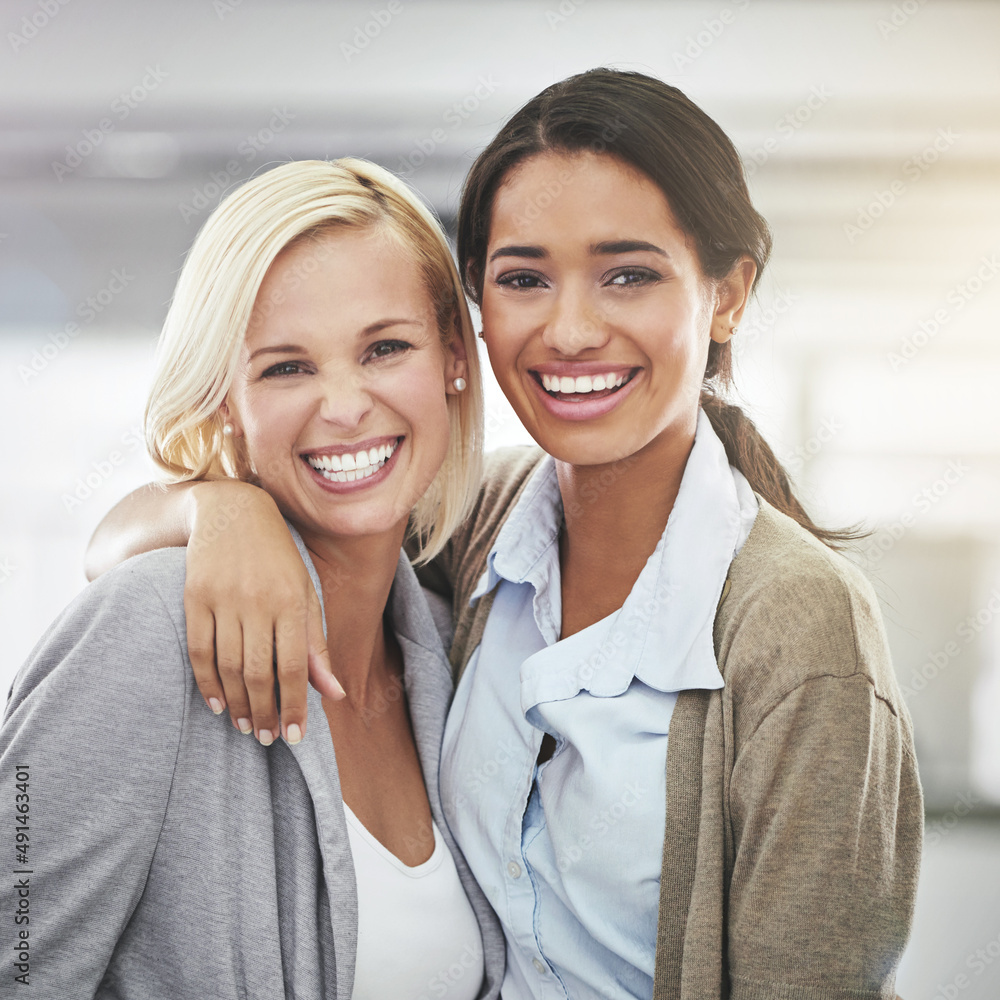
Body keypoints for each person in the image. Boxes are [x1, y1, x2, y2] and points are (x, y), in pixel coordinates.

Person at [85, 70, 922, 999]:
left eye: (628, 275)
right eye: (525, 278)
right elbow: (120, 561)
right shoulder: (472, 526)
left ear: (726, 296)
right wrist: (215, 507)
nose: (569, 330)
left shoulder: (799, 624)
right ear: (476, 315)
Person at [0, 158, 505, 999]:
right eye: (286, 367)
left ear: (454, 358)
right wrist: (214, 509)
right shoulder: (149, 629)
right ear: (225, 401)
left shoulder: (459, 656)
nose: (343, 406)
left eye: (385, 348)